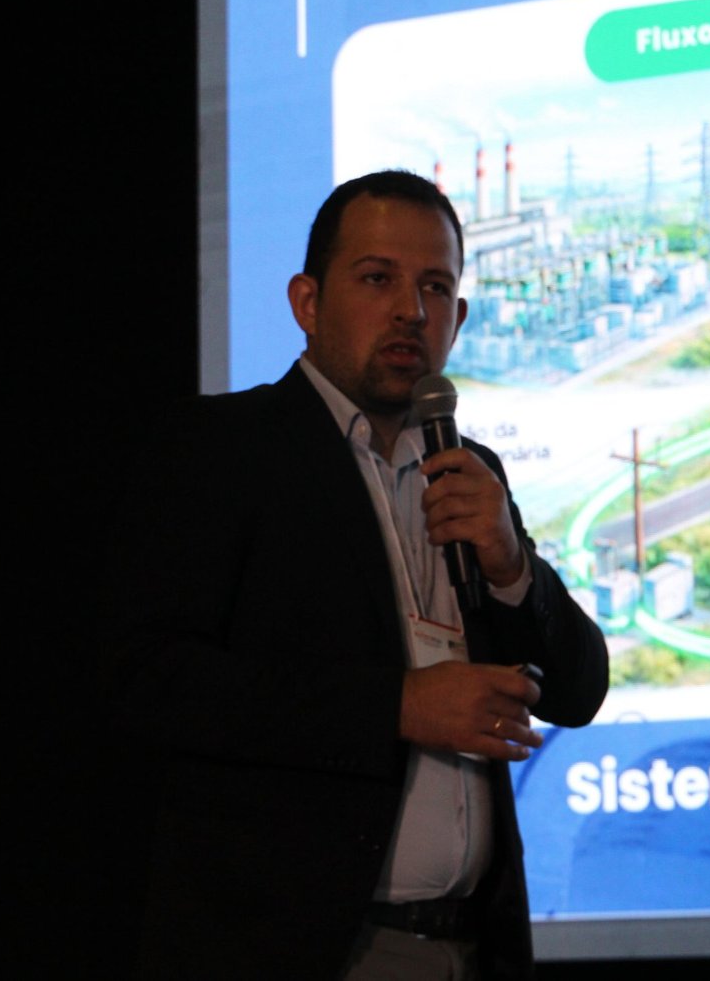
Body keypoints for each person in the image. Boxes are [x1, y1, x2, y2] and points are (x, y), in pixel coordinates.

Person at [106, 170, 608, 979]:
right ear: (307, 302)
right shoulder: (223, 449)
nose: (411, 310)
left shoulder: (469, 468)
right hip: (304, 949)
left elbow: (579, 691)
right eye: (378, 279)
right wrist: (398, 705)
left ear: (459, 318)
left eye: (435, 287)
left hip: (470, 945)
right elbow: (150, 681)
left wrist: (513, 565)